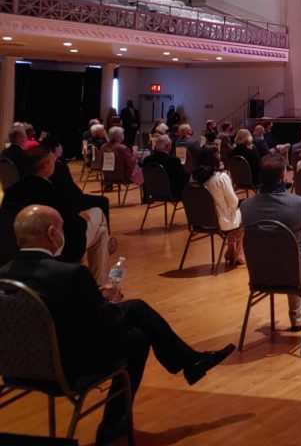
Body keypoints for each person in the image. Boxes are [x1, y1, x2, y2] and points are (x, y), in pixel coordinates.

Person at [0, 205, 235, 445]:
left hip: (17, 369)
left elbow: (45, 312)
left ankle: (188, 362)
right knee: (138, 337)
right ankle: (116, 420)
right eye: (62, 227)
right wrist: (102, 300)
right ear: (52, 233)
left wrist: (94, 295)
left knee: (135, 309)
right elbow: (107, 323)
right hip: (68, 370)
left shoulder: (4, 274)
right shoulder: (69, 275)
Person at [0, 145, 113, 283]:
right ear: (45, 167)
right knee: (98, 215)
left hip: (18, 251)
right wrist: (78, 217)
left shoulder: (11, 192)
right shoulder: (50, 191)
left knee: (100, 232)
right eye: (53, 160)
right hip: (61, 247)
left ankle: (101, 284)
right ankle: (102, 286)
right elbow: (73, 227)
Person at [241, 153, 301, 329]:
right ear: (283, 177)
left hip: (260, 270)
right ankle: (298, 318)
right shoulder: (299, 204)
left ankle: (298, 316)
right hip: (297, 270)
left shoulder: (246, 206)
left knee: (285, 248)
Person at [191, 147, 244, 267]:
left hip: (199, 220)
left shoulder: (193, 178)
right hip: (220, 222)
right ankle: (238, 253)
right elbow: (234, 203)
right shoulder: (221, 177)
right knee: (243, 212)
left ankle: (232, 251)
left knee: (233, 214)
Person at [141, 133, 189, 201]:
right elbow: (184, 178)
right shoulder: (173, 161)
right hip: (171, 193)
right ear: (167, 146)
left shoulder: (147, 160)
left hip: (152, 192)